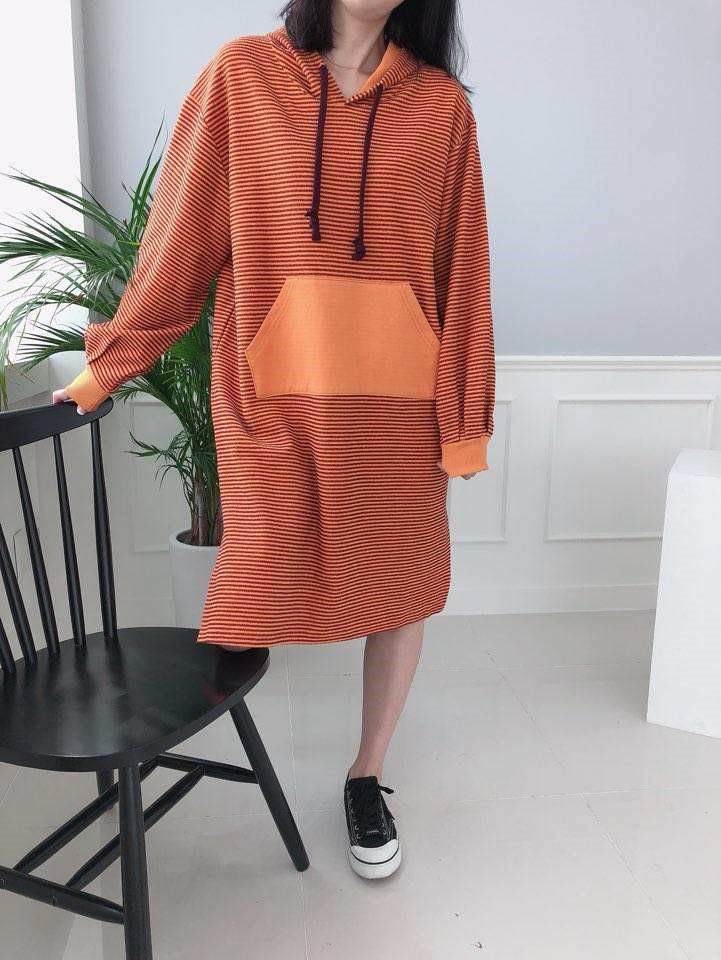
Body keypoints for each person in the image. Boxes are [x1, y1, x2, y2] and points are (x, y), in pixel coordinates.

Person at [54, 0, 495, 880]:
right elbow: (182, 234)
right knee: (253, 587)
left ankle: (365, 775)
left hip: (397, 411)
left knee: (401, 592)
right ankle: (200, 767)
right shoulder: (242, 75)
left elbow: (463, 271)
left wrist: (462, 423)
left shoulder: (441, 106)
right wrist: (110, 365)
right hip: (274, 397)